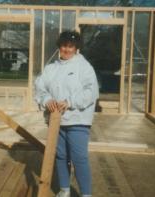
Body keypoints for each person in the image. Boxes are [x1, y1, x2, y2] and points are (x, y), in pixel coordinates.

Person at [35, 30, 99, 197]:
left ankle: (86, 194)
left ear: (76, 48)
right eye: (64, 46)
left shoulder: (84, 67)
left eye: (71, 46)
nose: (67, 49)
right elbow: (40, 88)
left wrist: (70, 102)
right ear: (59, 47)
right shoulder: (51, 68)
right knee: (61, 156)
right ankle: (64, 190)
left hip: (78, 120)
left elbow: (91, 92)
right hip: (56, 121)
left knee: (79, 159)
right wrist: (47, 100)